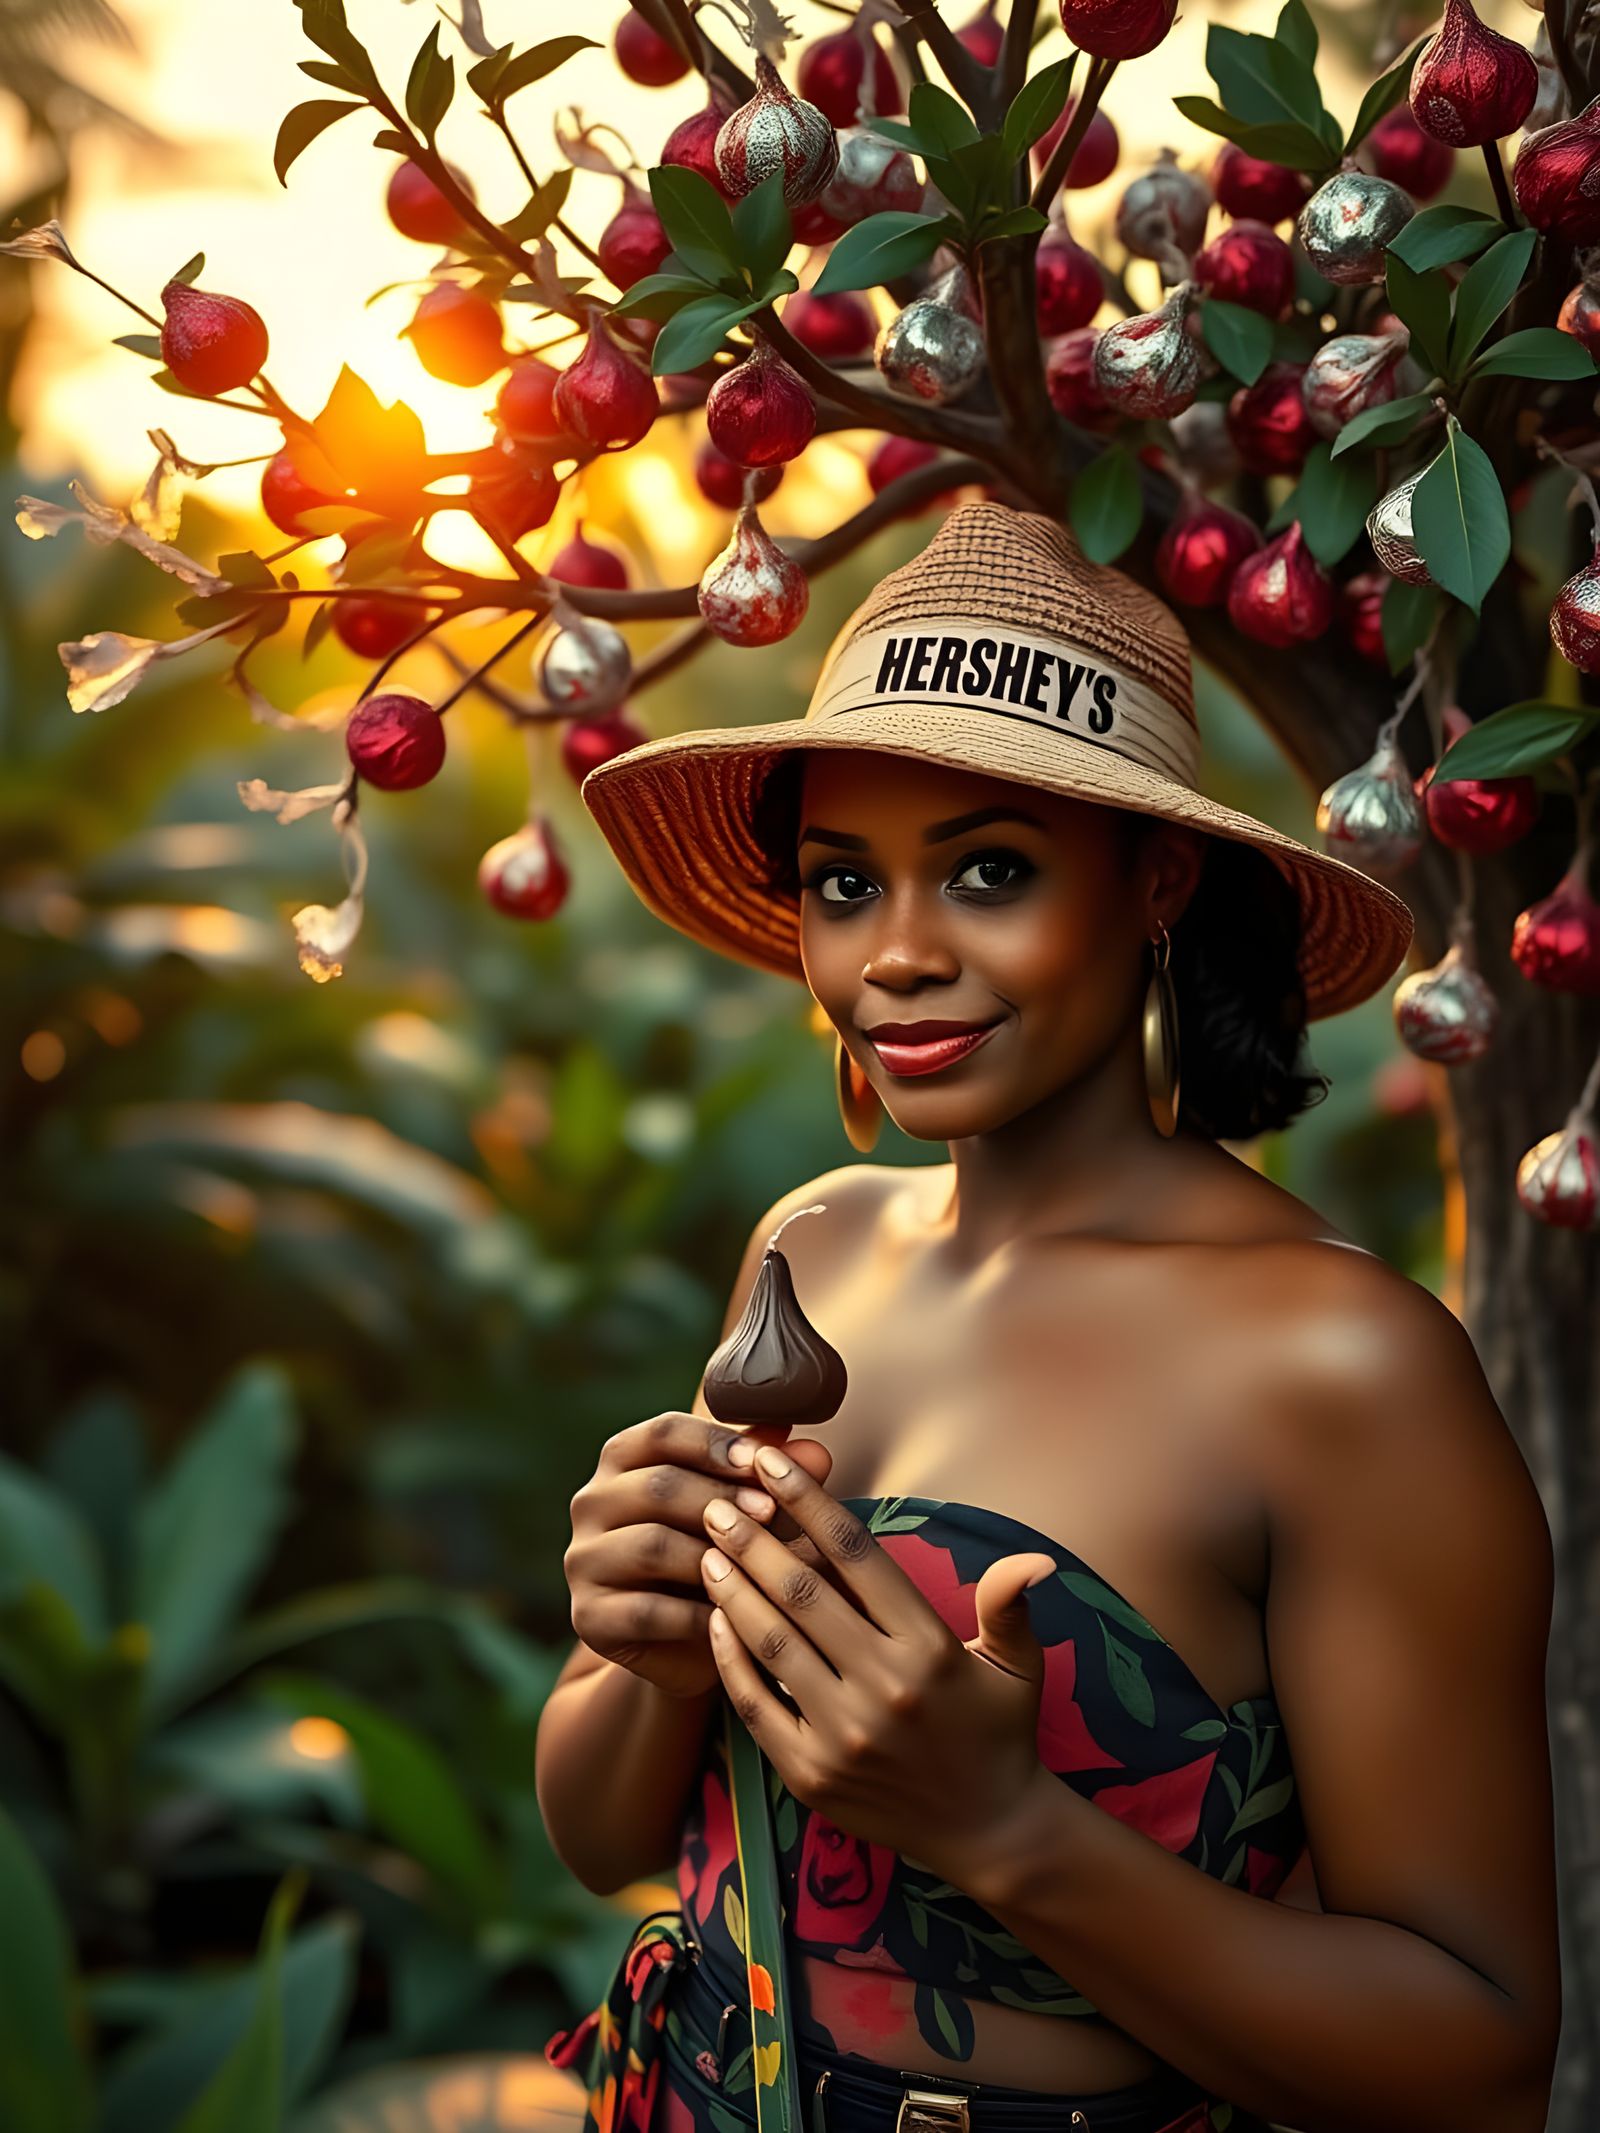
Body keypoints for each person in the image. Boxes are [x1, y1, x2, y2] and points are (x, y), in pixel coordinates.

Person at [535, 505, 1561, 2133]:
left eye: (988, 872)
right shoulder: (810, 1248)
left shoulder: (1337, 1368)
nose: (902, 957)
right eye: (844, 883)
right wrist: (641, 1647)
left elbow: (1481, 2063)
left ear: (1156, 877)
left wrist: (1002, 1821)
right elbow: (605, 1838)